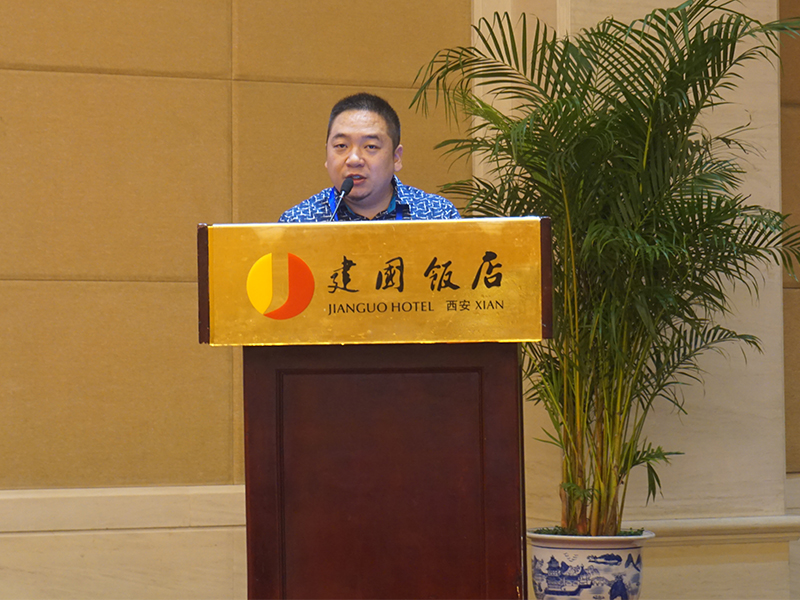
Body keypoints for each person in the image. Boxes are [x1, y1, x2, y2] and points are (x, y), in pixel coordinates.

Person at [279, 93, 460, 222]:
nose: (354, 159)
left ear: (396, 158)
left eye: (370, 147)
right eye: (341, 146)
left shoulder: (438, 215)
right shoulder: (298, 223)